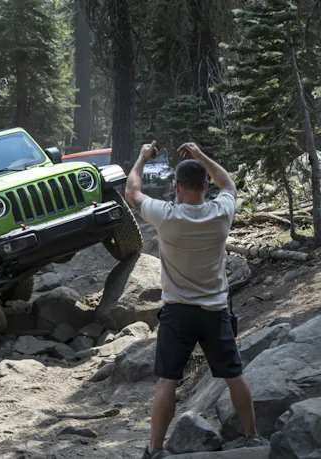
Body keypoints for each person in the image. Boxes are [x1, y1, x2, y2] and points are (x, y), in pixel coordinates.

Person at [124, 141, 268, 459]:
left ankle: (154, 449)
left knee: (167, 381)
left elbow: (132, 192)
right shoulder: (221, 212)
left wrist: (142, 158)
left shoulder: (166, 216)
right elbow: (228, 184)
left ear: (177, 186)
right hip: (215, 311)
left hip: (177, 312)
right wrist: (201, 154)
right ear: (205, 186)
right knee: (234, 375)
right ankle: (253, 437)